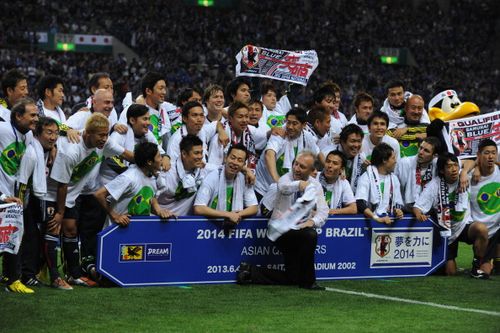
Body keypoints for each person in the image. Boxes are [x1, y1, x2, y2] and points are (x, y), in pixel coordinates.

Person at [44, 113, 116, 289]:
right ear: (88, 133)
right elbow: (62, 184)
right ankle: (54, 277)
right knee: (53, 230)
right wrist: (60, 212)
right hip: (49, 192)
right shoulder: (72, 150)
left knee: (70, 230)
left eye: (106, 134)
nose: (105, 139)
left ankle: (74, 274)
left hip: (68, 194)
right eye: (101, 135)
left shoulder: (96, 142)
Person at [237, 151, 328, 290]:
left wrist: (313, 222)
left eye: (302, 167)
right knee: (310, 235)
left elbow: (323, 211)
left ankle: (250, 272)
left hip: (299, 230)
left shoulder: (316, 185)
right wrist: (299, 185)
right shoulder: (285, 179)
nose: (297, 168)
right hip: (279, 230)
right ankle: (309, 281)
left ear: (311, 170)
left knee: (293, 277)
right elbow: (283, 187)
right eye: (296, 164)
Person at [413, 153, 490, 278]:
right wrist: (419, 214)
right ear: (442, 171)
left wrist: (464, 172)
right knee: (450, 272)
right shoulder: (434, 185)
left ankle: (476, 267)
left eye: (455, 165)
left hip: (464, 224)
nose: (454, 169)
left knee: (481, 229)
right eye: (449, 166)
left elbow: (472, 161)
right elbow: (417, 207)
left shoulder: (464, 177)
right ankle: (440, 264)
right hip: (445, 230)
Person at [0, 98, 37, 293]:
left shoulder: (27, 136)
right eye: (32, 115)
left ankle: (12, 279)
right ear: (17, 116)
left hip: (11, 195)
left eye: (37, 115)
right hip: (1, 194)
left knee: (12, 236)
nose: (36, 119)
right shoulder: (3, 130)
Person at [17, 117, 59, 287]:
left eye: (56, 133)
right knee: (28, 238)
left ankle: (27, 274)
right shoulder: (32, 153)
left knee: (32, 237)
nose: (53, 137)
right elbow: (22, 181)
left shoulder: (46, 150)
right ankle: (24, 275)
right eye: (49, 133)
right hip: (24, 199)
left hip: (35, 197)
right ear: (38, 134)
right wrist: (19, 205)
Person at [94, 142, 175, 227]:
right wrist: (115, 216)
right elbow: (99, 194)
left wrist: (159, 211)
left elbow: (151, 198)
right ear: (149, 162)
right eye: (159, 156)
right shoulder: (129, 177)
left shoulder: (151, 176)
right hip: (117, 232)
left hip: (135, 231)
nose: (161, 159)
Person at [254, 107, 320, 200]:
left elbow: (315, 156)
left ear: (304, 125)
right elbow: (269, 155)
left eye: (295, 123)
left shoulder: (307, 137)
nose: (290, 127)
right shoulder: (279, 133)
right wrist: (278, 180)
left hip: (285, 190)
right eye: (288, 122)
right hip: (263, 186)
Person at [194, 144, 258, 226]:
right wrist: (227, 214)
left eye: (239, 160)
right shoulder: (212, 177)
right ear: (226, 158)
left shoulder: (244, 179)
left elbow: (254, 207)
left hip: (233, 226)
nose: (235, 162)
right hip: (209, 226)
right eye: (233, 158)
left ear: (243, 165)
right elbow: (198, 208)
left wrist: (237, 214)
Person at [467, 139, 499, 276]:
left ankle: (495, 261)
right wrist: (467, 171)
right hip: (478, 230)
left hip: (497, 229)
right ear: (479, 155)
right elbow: (459, 162)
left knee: (490, 271)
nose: (490, 156)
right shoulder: (468, 176)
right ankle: (479, 262)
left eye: (493, 153)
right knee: (484, 271)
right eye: (486, 153)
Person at [207, 101, 267, 171]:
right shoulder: (219, 138)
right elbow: (212, 169)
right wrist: (243, 169)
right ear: (230, 118)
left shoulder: (248, 133)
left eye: (246, 116)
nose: (244, 120)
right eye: (240, 117)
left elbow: (264, 136)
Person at [157, 135, 209, 216]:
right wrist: (159, 211)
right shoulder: (166, 171)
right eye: (196, 153)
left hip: (184, 223)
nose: (200, 157)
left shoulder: (203, 170)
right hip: (160, 220)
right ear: (184, 154)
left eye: (201, 153)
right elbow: (151, 198)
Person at [166, 101, 227, 168]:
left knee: (217, 137)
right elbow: (172, 168)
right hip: (184, 175)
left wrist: (222, 132)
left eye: (201, 115)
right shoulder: (175, 141)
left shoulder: (203, 129)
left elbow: (217, 124)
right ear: (185, 118)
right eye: (194, 115)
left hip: (203, 171)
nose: (199, 119)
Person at [356, 143, 404, 224]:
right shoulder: (366, 177)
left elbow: (396, 204)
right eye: (393, 158)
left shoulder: (394, 179)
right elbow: (360, 203)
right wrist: (376, 218)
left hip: (388, 221)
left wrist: (398, 211)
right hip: (369, 222)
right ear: (384, 160)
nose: (395, 161)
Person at [395, 137, 440, 211]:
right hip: (405, 210)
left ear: (435, 155)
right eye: (421, 148)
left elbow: (459, 162)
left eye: (426, 151)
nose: (421, 152)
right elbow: (394, 188)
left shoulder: (437, 164)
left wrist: (464, 173)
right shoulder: (405, 163)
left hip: (429, 210)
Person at [318, 150, 357, 215]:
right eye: (328, 161)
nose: (330, 165)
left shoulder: (343, 183)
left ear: (341, 169)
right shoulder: (315, 177)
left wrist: (328, 212)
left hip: (333, 223)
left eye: (335, 163)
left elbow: (353, 209)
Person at [337, 124, 367, 193]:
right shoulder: (329, 154)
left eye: (359, 141)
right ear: (342, 142)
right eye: (353, 141)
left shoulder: (362, 158)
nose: (356, 145)